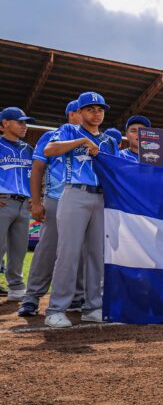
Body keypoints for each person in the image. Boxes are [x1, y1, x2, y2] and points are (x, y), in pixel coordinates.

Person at [42, 92, 120, 328]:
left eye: (100, 109)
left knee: (97, 254)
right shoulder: (69, 130)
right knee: (69, 252)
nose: (96, 113)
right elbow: (49, 150)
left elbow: (116, 170)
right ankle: (56, 309)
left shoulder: (109, 141)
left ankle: (93, 307)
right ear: (80, 111)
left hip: (102, 197)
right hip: (75, 193)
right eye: (90, 109)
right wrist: (82, 142)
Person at [18, 101, 87, 316]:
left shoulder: (94, 138)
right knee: (48, 249)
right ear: (73, 114)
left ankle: (77, 296)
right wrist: (36, 201)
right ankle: (32, 297)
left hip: (83, 200)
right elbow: (38, 168)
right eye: (83, 111)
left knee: (80, 251)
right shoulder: (51, 136)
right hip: (56, 198)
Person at [0, 107, 35, 303]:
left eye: (25, 122)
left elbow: (35, 175)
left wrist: (34, 198)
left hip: (24, 203)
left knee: (19, 250)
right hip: (3, 201)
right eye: (20, 121)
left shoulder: (28, 149)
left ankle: (16, 286)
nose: (24, 125)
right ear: (5, 123)